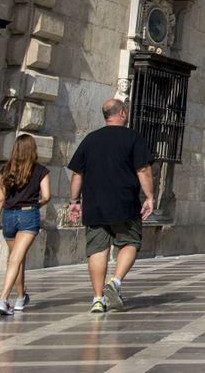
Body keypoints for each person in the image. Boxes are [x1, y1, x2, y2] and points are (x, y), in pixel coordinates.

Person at [67, 98, 154, 313]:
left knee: (97, 249)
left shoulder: (90, 139)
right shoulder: (133, 137)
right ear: (123, 113)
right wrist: (150, 196)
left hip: (94, 204)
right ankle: (114, 282)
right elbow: (143, 170)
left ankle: (97, 299)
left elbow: (77, 173)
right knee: (131, 242)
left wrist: (74, 202)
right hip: (124, 203)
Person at [0, 133, 50, 315]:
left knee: (16, 258)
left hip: (8, 216)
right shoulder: (41, 171)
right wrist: (35, 205)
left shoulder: (5, 171)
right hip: (28, 216)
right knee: (16, 259)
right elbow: (46, 196)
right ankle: (3, 299)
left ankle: (21, 297)